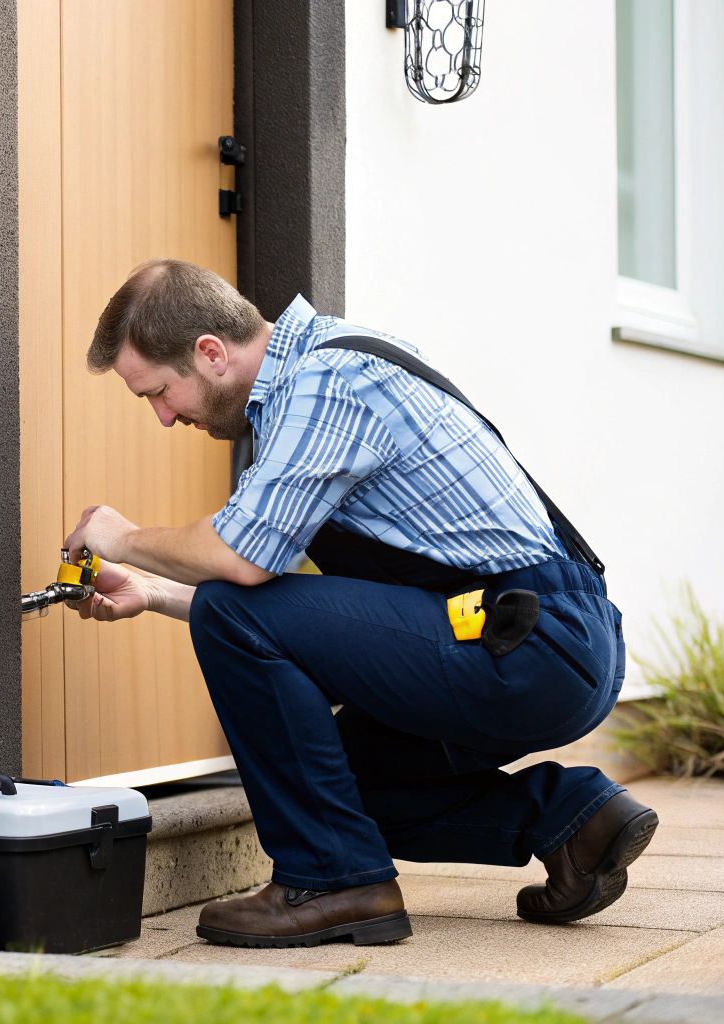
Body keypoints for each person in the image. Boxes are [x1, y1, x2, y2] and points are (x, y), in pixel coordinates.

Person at [61, 258, 659, 949]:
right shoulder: (320, 377)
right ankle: (573, 822)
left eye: (159, 394)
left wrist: (124, 539)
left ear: (210, 353)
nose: (165, 418)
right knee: (340, 790)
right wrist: (157, 592)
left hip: (530, 640)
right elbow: (295, 616)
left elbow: (240, 567)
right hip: (524, 635)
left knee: (235, 610)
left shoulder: (329, 384)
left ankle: (330, 881)